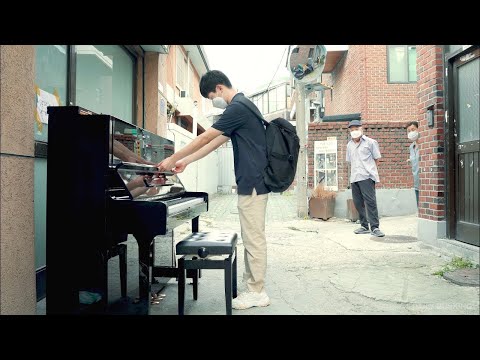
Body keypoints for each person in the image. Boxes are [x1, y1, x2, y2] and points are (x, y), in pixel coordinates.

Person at [157, 70, 271, 310]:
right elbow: (213, 144)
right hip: (252, 181)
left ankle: (257, 291)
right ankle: (253, 286)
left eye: (210, 97)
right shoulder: (242, 108)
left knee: (254, 238)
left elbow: (204, 138)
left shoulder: (237, 107)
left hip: (252, 182)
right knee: (252, 235)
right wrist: (186, 162)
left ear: (219, 88)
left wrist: (172, 159)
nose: (212, 101)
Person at [346, 120, 385, 237]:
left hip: (367, 176)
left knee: (370, 202)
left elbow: (377, 159)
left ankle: (375, 227)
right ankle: (364, 225)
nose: (354, 131)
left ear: (361, 129)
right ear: (349, 131)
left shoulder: (371, 142)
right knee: (358, 203)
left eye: (356, 129)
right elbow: (350, 161)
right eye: (352, 130)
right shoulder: (349, 145)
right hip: (355, 177)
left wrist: (370, 171)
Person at [406, 121, 420, 209]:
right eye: (409, 131)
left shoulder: (425, 144)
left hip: (425, 177)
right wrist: (410, 160)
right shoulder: (411, 147)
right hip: (416, 178)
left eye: (413, 130)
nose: (411, 133)